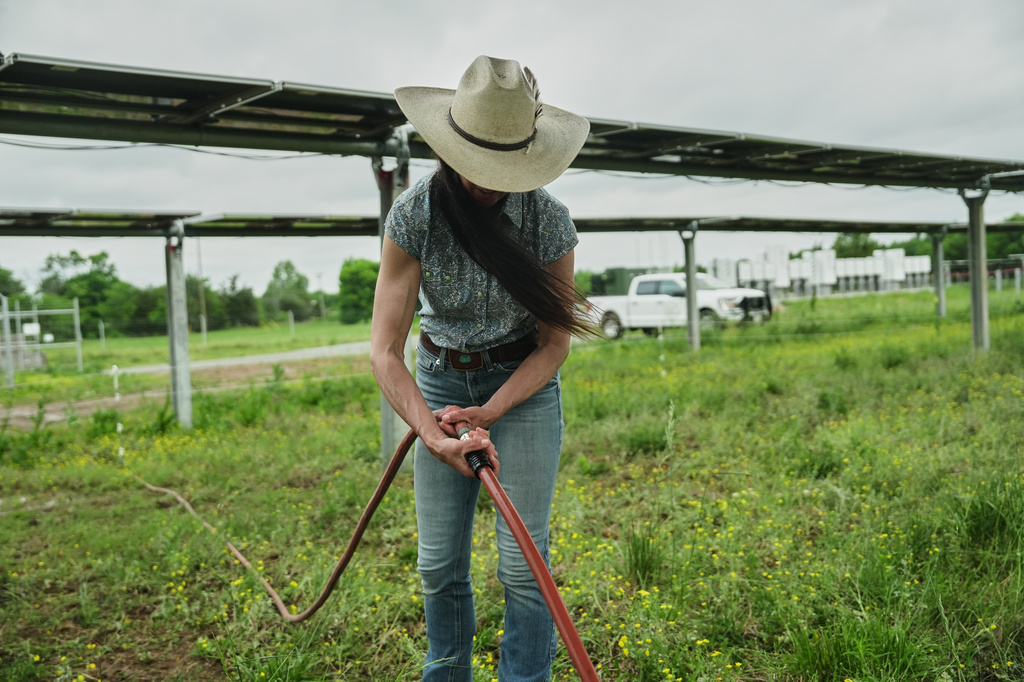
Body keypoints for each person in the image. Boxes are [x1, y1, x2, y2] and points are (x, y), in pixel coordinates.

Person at [370, 55, 592, 681]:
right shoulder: (416, 216)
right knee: (439, 564)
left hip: (521, 385)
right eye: (476, 166)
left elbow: (553, 344)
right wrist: (433, 434)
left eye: (503, 168)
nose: (488, 183)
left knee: (523, 563)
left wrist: (495, 409)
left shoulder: (548, 222)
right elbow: (386, 350)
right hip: (439, 381)